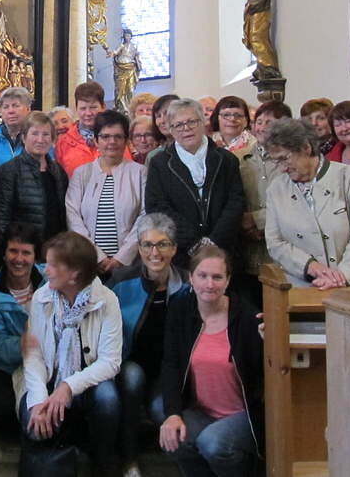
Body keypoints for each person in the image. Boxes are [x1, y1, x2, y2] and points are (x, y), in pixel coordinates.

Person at [19, 231, 122, 476]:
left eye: (53, 265)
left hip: (88, 383)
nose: (46, 270)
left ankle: (103, 464)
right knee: (34, 421)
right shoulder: (42, 297)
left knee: (108, 399)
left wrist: (68, 386)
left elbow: (110, 362)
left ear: (74, 273)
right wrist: (39, 400)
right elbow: (34, 355)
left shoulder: (107, 300)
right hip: (49, 378)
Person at [159, 246, 264, 477]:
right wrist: (173, 414)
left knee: (212, 443)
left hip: (244, 415)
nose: (209, 284)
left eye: (217, 277)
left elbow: (264, 375)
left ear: (228, 281)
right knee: (170, 429)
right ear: (190, 278)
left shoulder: (248, 317)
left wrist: (267, 340)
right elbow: (171, 364)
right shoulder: (180, 309)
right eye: (202, 276)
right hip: (202, 411)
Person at [108, 213, 189, 477]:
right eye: (147, 245)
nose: (155, 252)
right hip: (129, 362)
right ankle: (129, 459)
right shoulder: (121, 281)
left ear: (174, 248)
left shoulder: (188, 283)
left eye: (163, 244)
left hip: (169, 370)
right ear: (139, 248)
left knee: (160, 411)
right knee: (132, 379)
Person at [264, 119, 350, 289]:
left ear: (306, 148)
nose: (282, 168)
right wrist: (311, 267)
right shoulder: (276, 189)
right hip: (303, 288)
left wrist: (341, 276)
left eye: (284, 158)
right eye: (276, 161)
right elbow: (275, 243)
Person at [144, 99, 244, 267]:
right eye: (178, 125)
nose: (186, 128)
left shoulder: (226, 159)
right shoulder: (159, 163)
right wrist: (194, 243)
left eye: (192, 122)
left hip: (224, 250)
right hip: (180, 253)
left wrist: (214, 242)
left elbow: (235, 203)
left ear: (203, 122)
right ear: (170, 130)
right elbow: (157, 206)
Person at [0, 224, 46, 432]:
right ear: (4, 254)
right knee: (1, 408)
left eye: (26, 253)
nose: (19, 259)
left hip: (44, 362)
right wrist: (22, 346)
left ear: (35, 257)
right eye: (13, 251)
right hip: (1, 365)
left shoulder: (50, 281)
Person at [66, 110, 146, 274]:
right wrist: (97, 256)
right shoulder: (82, 173)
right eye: (105, 136)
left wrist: (121, 258)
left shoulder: (140, 172)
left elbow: (145, 215)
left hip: (129, 266)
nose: (112, 142)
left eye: (118, 137)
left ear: (126, 141)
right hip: (88, 262)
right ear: (96, 140)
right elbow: (73, 216)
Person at [236, 101, 292, 301]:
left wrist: (258, 220)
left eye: (270, 122)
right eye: (259, 122)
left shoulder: (292, 158)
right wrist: (243, 222)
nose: (262, 127)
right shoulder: (238, 158)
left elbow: (296, 201)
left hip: (285, 254)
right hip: (248, 253)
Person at [0, 112, 68, 256]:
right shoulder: (9, 171)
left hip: (55, 251)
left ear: (52, 139)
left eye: (46, 134)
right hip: (23, 253)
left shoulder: (58, 171)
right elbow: (2, 219)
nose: (40, 140)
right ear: (23, 137)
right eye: (35, 134)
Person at [56, 81, 113, 177]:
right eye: (83, 108)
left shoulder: (116, 138)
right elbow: (60, 180)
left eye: (93, 107)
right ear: (76, 109)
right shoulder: (63, 142)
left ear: (103, 107)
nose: (88, 113)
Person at [0, 86, 32, 166]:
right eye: (6, 107)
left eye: (16, 106)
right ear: (0, 111)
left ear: (28, 109)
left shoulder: (36, 137)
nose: (11, 111)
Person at [110, 28, 142, 115]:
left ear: (131, 37)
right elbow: (115, 52)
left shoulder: (134, 47)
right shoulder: (122, 46)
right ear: (124, 37)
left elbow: (137, 57)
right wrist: (111, 53)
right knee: (121, 90)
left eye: (129, 36)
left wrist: (138, 65)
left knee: (130, 89)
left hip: (131, 68)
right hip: (121, 68)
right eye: (126, 36)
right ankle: (123, 107)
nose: (127, 37)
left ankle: (130, 107)